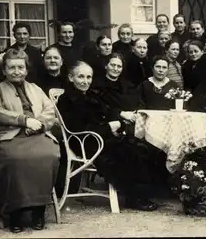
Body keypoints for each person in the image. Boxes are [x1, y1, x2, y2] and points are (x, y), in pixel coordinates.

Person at [56, 61, 163, 211]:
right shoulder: (67, 100)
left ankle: (141, 194)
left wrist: (116, 122)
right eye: (81, 77)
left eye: (89, 77)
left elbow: (106, 112)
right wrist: (109, 127)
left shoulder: (89, 95)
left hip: (99, 137)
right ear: (71, 77)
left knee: (142, 145)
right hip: (85, 142)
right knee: (128, 150)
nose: (85, 81)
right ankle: (134, 197)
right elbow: (78, 128)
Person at [0, 49, 60, 233]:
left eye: (20, 67)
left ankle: (38, 210)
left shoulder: (36, 89)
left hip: (36, 135)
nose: (16, 71)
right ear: (4, 70)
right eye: (12, 68)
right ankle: (14, 213)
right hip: (7, 137)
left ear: (26, 70)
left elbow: (50, 111)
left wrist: (40, 124)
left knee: (49, 154)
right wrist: (23, 120)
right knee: (15, 160)